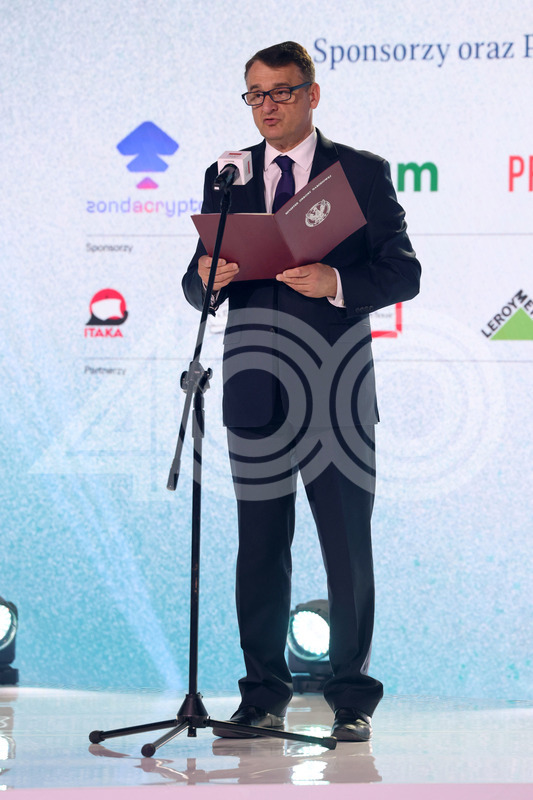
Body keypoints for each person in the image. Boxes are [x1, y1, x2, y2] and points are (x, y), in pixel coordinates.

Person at [182, 41, 421, 741]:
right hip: (254, 390)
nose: (267, 107)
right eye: (255, 95)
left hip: (335, 395)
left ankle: (351, 700)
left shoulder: (360, 173)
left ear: (312, 95)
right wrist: (209, 279)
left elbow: (403, 272)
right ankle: (262, 696)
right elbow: (194, 282)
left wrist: (336, 282)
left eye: (281, 92)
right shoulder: (227, 175)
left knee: (345, 551)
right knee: (259, 549)